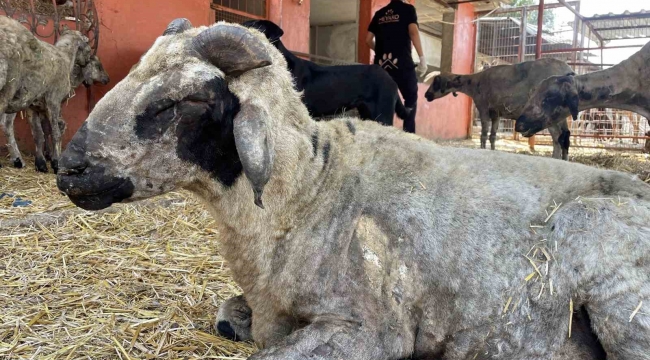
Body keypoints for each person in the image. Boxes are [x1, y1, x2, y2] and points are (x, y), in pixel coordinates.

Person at [366, 0, 427, 134]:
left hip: (381, 66)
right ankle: (408, 136)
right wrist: (422, 58)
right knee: (410, 98)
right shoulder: (408, 9)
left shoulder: (379, 14)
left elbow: (368, 40)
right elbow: (413, 32)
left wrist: (380, 51)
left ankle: (382, 135)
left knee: (382, 99)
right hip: (402, 64)